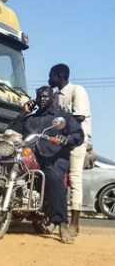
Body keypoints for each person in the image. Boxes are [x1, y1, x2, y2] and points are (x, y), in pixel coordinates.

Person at [8, 86, 83, 244]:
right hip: (30, 156)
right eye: (39, 97)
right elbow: (11, 131)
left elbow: (78, 134)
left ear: (52, 98)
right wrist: (23, 113)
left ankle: (62, 224)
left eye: (45, 96)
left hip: (53, 157)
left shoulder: (62, 117)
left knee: (54, 177)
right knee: (6, 167)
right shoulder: (31, 118)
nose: (42, 99)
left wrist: (67, 139)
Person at [49, 63, 91, 237]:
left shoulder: (77, 91)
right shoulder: (55, 96)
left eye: (51, 76)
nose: (49, 79)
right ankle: (57, 218)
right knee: (57, 178)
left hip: (76, 141)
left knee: (74, 179)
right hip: (60, 142)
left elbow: (79, 116)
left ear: (60, 75)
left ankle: (75, 222)